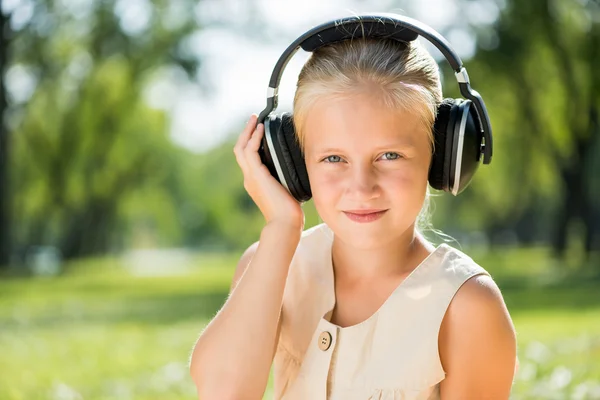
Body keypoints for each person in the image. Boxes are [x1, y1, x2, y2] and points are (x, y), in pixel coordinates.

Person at [189, 16, 518, 400]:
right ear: (292, 163)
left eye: (390, 155)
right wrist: (280, 227)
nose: (361, 186)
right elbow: (222, 393)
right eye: (333, 158)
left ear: (444, 155)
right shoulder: (269, 266)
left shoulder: (467, 306)